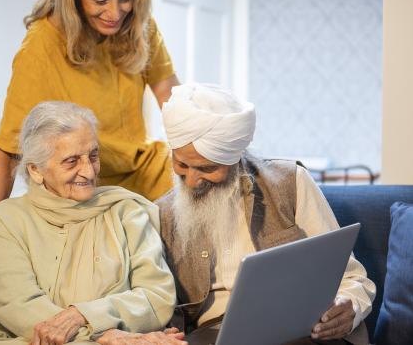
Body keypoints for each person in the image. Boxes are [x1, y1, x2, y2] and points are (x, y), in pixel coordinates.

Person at [0, 0, 180, 290]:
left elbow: (170, 95)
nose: (115, 12)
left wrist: (200, 149)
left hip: (141, 171)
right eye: (100, 1)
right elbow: (7, 152)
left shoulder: (140, 26)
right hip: (82, 187)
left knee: (217, 194)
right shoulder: (42, 44)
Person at [155, 84, 377, 345]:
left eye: (207, 168)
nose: (191, 181)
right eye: (181, 164)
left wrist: (349, 305)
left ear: (234, 157)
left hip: (299, 330)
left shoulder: (290, 182)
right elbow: (155, 302)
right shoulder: (162, 213)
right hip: (211, 336)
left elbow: (351, 277)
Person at [0, 101, 186, 345]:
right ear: (36, 170)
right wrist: (103, 336)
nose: (89, 172)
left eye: (93, 156)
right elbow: (19, 307)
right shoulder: (6, 220)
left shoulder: (126, 210)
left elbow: (157, 297)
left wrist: (83, 315)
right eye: (71, 161)